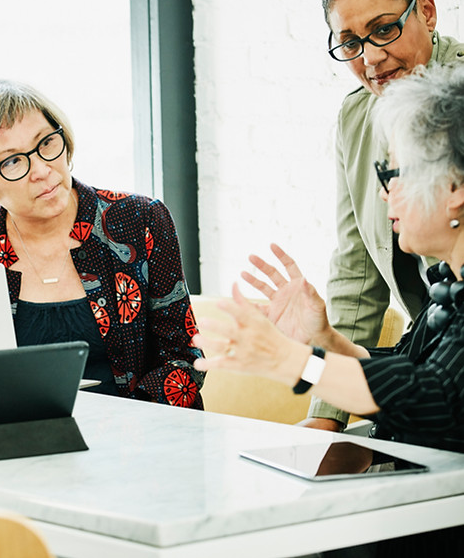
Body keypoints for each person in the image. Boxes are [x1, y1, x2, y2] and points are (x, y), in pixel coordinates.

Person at [192, 62, 464, 556]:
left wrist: (295, 362)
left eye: (395, 173)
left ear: (455, 188)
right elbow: (406, 375)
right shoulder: (448, 284)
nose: (384, 192)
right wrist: (326, 341)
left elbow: (437, 397)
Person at [273, 0, 464, 432]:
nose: (371, 57)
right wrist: (326, 417)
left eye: (384, 30)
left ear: (426, 11)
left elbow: (435, 395)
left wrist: (293, 363)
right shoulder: (356, 116)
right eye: (351, 42)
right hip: (424, 360)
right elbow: (357, 273)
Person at [0, 79, 204, 408]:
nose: (42, 170)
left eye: (45, 143)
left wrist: (123, 429)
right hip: (20, 444)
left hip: (143, 441)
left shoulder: (139, 219)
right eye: (12, 161)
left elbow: (184, 360)